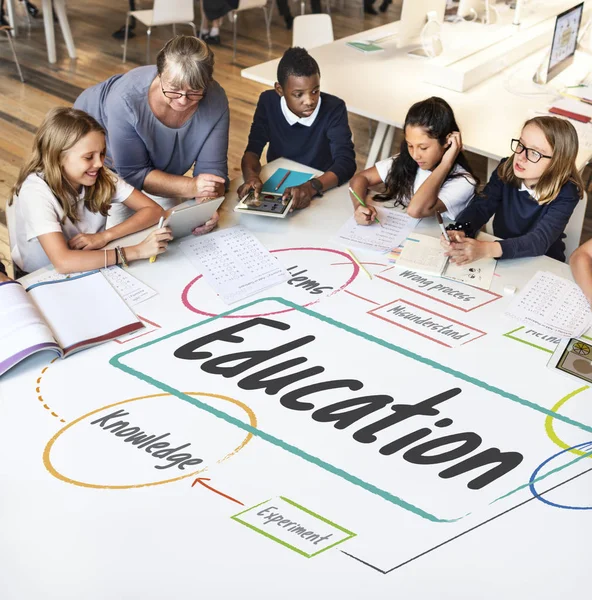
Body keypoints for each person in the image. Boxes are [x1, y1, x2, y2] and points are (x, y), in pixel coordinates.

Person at [74, 35, 227, 231]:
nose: (182, 101)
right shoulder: (125, 99)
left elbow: (211, 168)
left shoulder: (215, 98)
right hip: (112, 168)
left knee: (174, 230)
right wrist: (192, 187)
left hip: (160, 168)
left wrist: (205, 205)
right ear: (160, 74)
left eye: (194, 91)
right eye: (174, 90)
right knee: (123, 235)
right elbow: (133, 173)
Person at [7, 107, 171, 276]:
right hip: (40, 275)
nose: (100, 163)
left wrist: (105, 236)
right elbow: (63, 262)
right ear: (58, 157)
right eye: (88, 157)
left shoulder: (97, 174)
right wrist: (136, 251)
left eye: (101, 153)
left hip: (89, 261)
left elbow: (154, 211)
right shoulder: (35, 191)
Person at [443, 116, 584, 265]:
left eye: (535, 153)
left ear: (557, 163)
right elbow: (482, 206)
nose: (521, 157)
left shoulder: (566, 192)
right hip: (503, 255)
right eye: (521, 145)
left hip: (542, 262)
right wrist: (460, 229)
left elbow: (539, 241)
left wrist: (486, 249)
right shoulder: (507, 168)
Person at [237, 46, 356, 210]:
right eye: (298, 94)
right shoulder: (268, 102)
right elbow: (253, 149)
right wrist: (251, 177)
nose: (309, 101)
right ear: (280, 90)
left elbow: (346, 163)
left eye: (315, 91)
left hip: (322, 186)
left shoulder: (334, 108)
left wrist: (311, 187)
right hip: (280, 186)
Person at [350, 97, 477, 224]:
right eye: (410, 145)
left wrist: (446, 163)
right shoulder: (407, 160)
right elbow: (361, 178)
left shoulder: (464, 182)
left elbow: (416, 210)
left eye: (423, 147)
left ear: (446, 141)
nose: (415, 155)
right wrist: (359, 206)